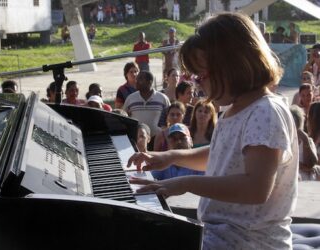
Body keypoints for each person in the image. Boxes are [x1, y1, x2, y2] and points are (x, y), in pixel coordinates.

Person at [127, 12, 298, 249]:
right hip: (223, 234)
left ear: (232, 66)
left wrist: (185, 183)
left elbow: (256, 188)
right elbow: (220, 154)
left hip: (250, 242)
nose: (198, 84)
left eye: (201, 75)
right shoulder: (236, 109)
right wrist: (171, 157)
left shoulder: (265, 113)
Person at [123, 71, 170, 150]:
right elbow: (124, 117)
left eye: (140, 79)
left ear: (149, 82)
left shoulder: (162, 99)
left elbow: (169, 117)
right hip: (138, 141)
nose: (136, 81)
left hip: (158, 141)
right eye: (137, 79)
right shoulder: (130, 99)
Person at [290, 105, 319, 181]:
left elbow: (311, 163)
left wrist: (305, 140)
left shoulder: (306, 140)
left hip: (308, 182)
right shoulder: (284, 140)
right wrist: (301, 166)